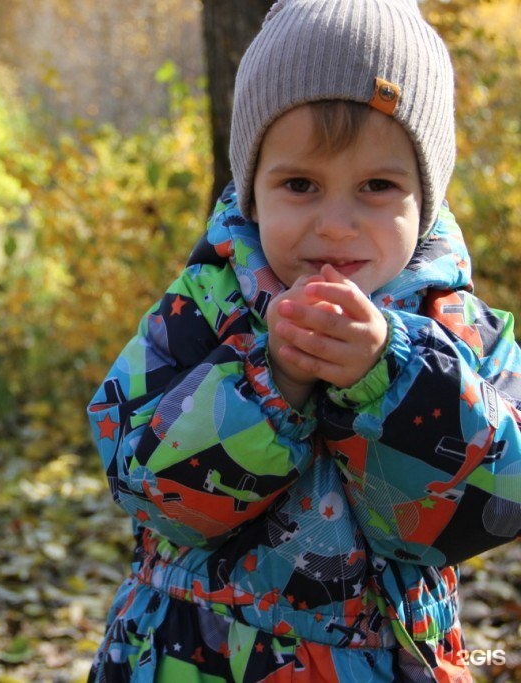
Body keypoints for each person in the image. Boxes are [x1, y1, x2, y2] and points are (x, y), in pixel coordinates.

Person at [86, 1, 521, 680]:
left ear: (426, 198)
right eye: (300, 184)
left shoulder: (458, 327)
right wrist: (267, 382)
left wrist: (391, 375)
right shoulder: (207, 306)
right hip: (192, 657)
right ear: (253, 188)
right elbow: (144, 483)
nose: (336, 224)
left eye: (378, 185)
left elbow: (498, 502)